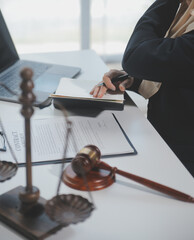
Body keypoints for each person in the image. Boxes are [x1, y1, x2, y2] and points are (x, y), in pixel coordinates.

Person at [90, 0, 194, 176]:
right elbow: (181, 69)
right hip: (163, 141)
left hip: (182, 160)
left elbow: (134, 56)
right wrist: (133, 79)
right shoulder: (187, 10)